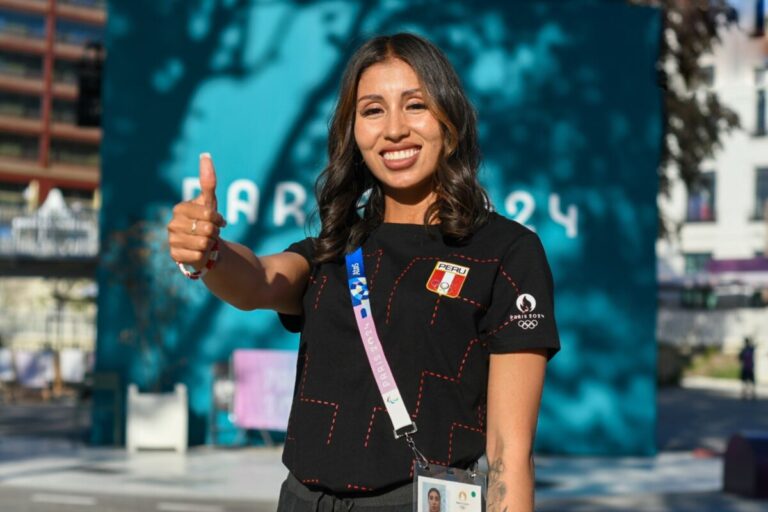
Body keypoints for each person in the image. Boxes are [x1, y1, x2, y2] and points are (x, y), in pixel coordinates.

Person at [168, 33, 560, 512]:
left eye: (415, 105)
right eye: (373, 111)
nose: (394, 129)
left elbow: (507, 452)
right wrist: (209, 254)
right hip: (302, 501)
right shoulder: (335, 248)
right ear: (352, 132)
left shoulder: (506, 251)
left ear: (450, 119)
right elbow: (258, 282)